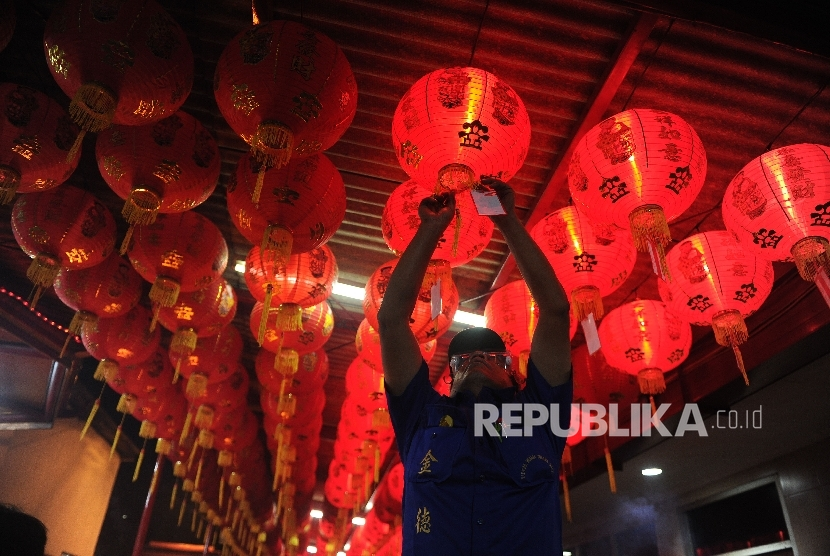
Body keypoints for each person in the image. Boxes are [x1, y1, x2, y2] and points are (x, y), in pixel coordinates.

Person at [377, 177, 573, 555]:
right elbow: (391, 321)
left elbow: (555, 311)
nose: (478, 359)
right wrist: (431, 229)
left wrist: (506, 221)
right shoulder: (420, 414)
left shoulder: (540, 413)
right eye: (463, 360)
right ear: (449, 379)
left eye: (491, 355)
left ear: (513, 369)